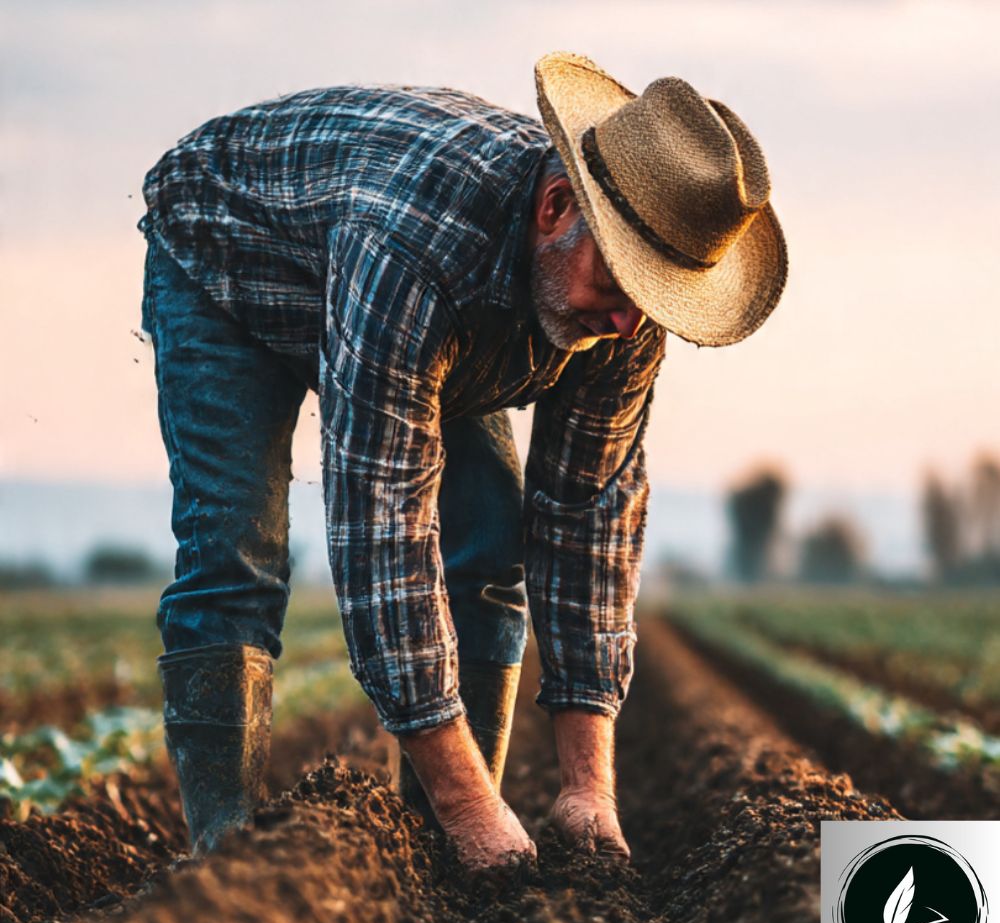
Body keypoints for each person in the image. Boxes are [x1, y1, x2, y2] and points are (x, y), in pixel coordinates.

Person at [139, 52, 787, 868]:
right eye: (620, 286)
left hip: (411, 303)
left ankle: (439, 858)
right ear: (556, 207)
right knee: (238, 549)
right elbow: (383, 526)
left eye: (652, 300)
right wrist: (473, 806)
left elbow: (587, 518)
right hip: (227, 257)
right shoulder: (417, 241)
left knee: (486, 548)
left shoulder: (629, 310)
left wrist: (589, 788)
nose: (627, 322)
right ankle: (221, 855)